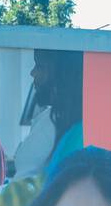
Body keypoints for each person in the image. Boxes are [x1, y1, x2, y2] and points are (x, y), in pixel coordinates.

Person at [13, 48, 84, 180]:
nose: (32, 73)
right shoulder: (73, 119)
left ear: (60, 73)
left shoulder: (53, 121)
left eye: (40, 66)